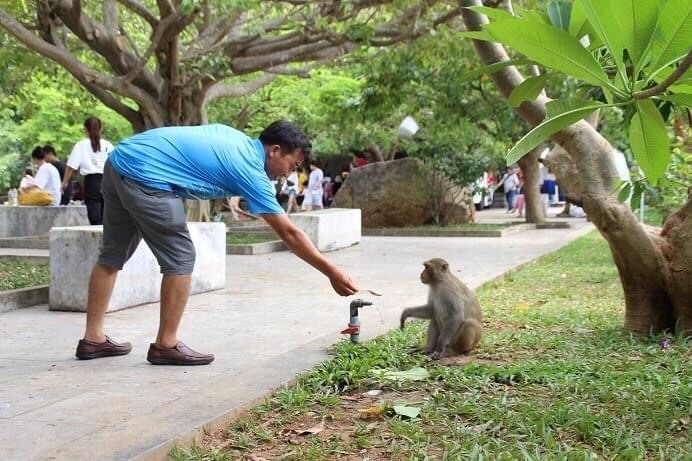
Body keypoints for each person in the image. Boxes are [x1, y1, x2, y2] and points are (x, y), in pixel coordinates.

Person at [74, 121, 358, 366]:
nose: (288, 172)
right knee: (181, 258)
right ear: (273, 150)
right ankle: (166, 345)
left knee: (112, 254)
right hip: (147, 175)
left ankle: (93, 339)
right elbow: (290, 233)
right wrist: (331, 270)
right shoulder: (249, 168)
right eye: (291, 164)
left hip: (120, 161)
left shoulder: (237, 141)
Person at [63, 117, 114, 224]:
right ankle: (107, 238)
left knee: (94, 213)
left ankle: (97, 237)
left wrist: (65, 182)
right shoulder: (109, 145)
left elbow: (71, 166)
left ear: (85, 130)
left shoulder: (81, 145)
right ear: (101, 129)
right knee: (108, 214)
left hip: (92, 182)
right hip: (109, 181)